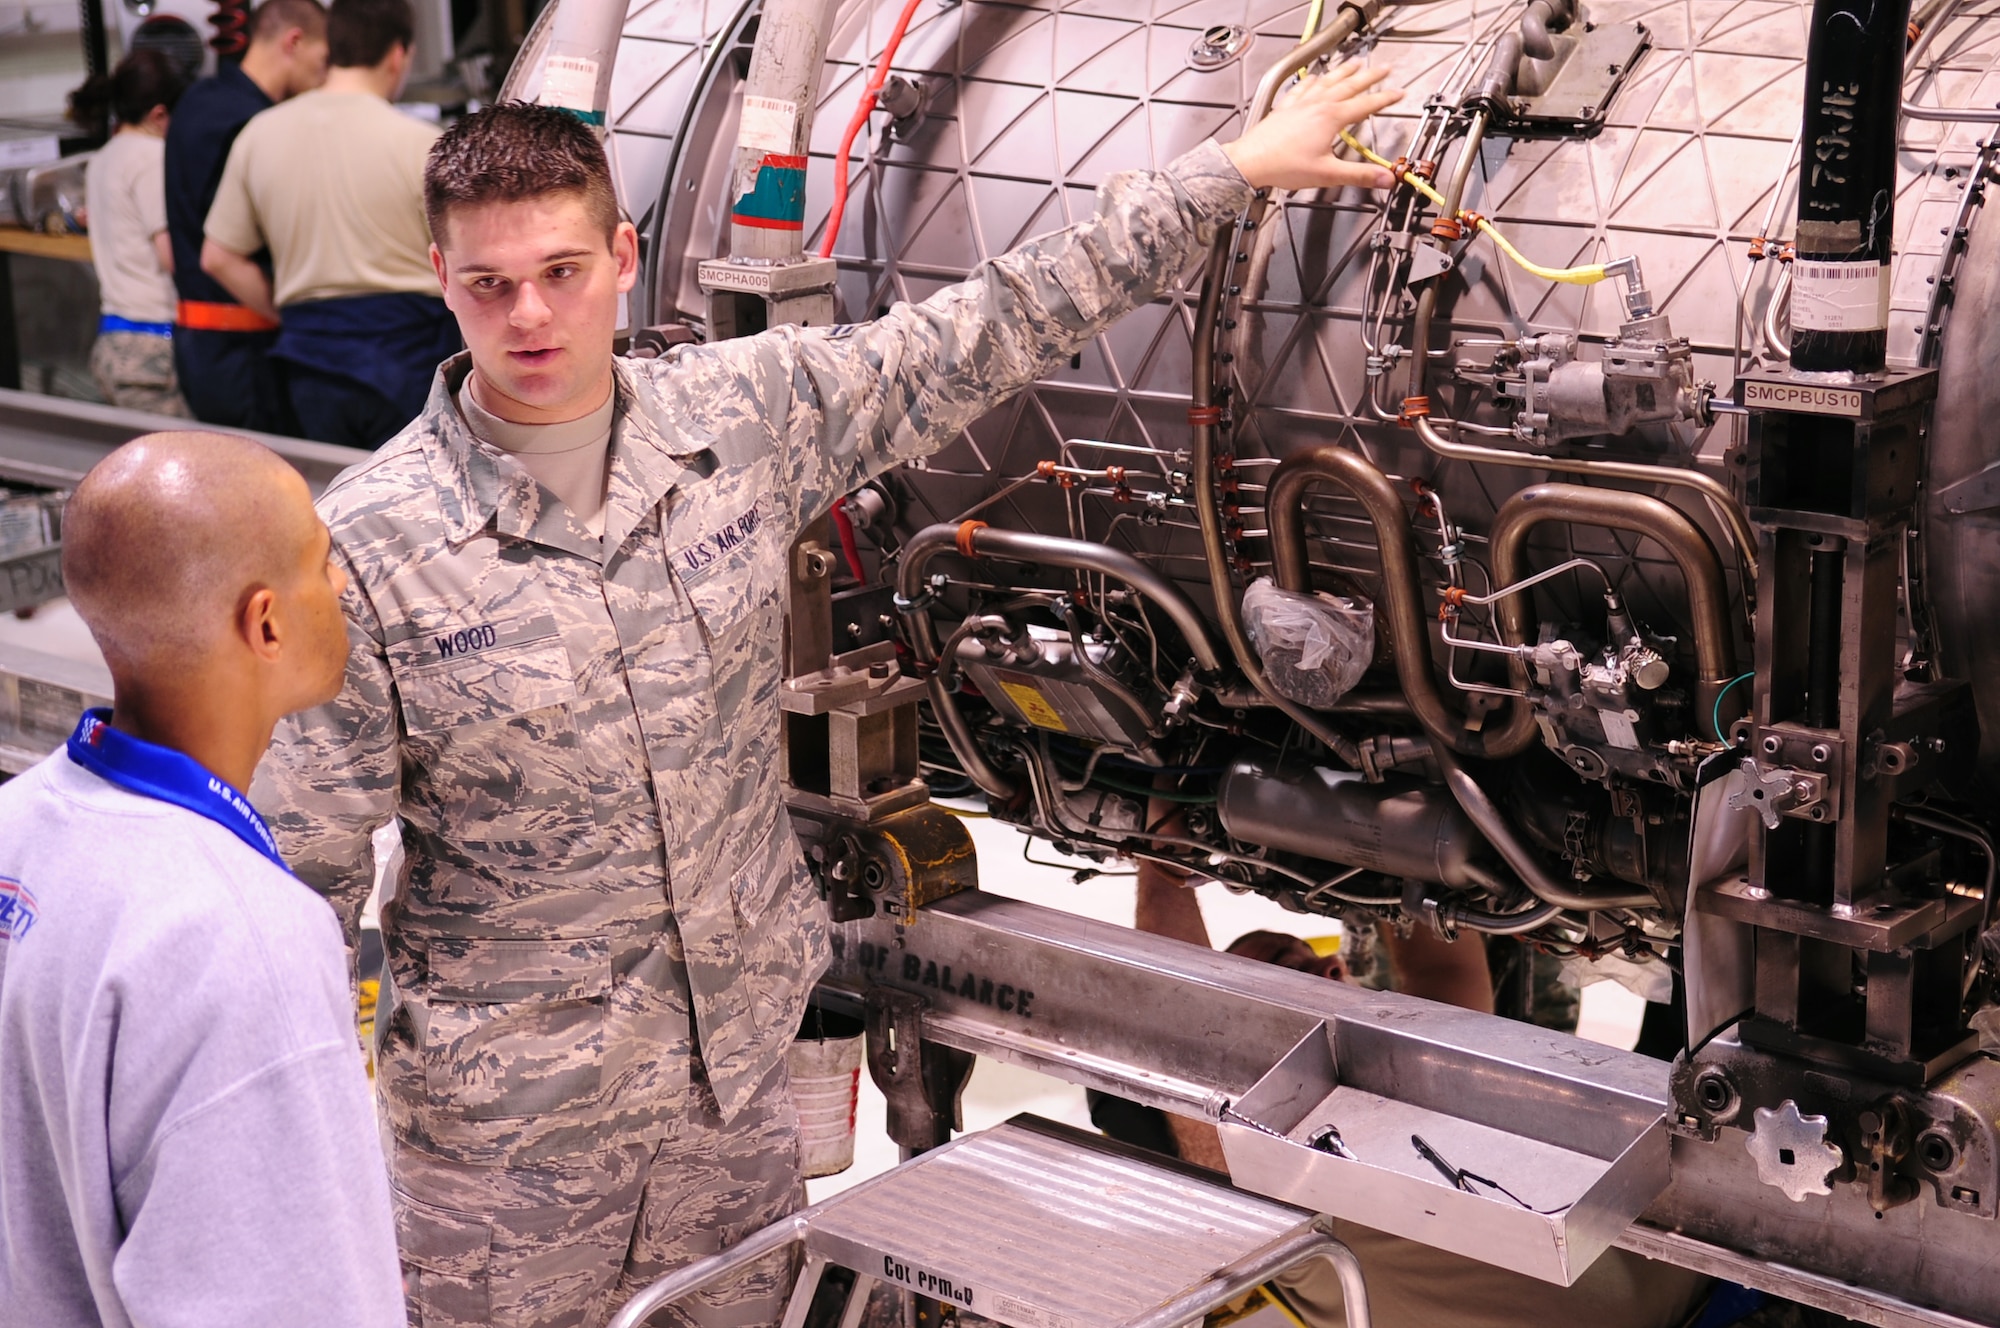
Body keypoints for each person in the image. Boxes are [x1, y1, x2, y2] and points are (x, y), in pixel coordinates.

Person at [254, 75, 1403, 1328]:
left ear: (625, 255)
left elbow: (987, 327)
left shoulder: (739, 418)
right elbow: (292, 884)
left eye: (562, 270)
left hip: (728, 1111)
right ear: (440, 276)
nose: (529, 312)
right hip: (506, 1157)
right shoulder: (368, 546)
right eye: (488, 284)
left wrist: (1223, 176)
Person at [0, 431, 406, 1328]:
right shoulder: (236, 938)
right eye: (321, 560)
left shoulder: (19, 824)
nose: (339, 587)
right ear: (264, 622)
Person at [1121, 860, 1711, 1328]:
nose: (1331, 969)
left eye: (1317, 960)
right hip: (1709, 1272)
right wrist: (1160, 858)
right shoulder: (1276, 1206)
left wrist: (1375, 855)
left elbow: (1442, 981)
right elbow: (1187, 1023)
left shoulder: (1366, 1103)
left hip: (1674, 1246)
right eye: (1281, 968)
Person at [201, 0, 454, 448]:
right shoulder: (423, 145)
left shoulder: (259, 135)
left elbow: (219, 258)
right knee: (413, 508)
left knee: (331, 505)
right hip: (410, 358)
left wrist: (290, 314)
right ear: (399, 54)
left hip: (308, 361)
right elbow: (468, 262)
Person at [165, 0, 328, 434]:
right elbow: (220, 255)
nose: (324, 74)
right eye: (323, 58)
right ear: (293, 42)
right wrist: (305, 326)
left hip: (205, 346)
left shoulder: (199, 99)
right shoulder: (248, 122)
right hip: (243, 351)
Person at [72, 50, 191, 416]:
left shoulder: (101, 159)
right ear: (159, 114)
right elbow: (170, 253)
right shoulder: (151, 156)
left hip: (113, 343)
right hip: (152, 350)